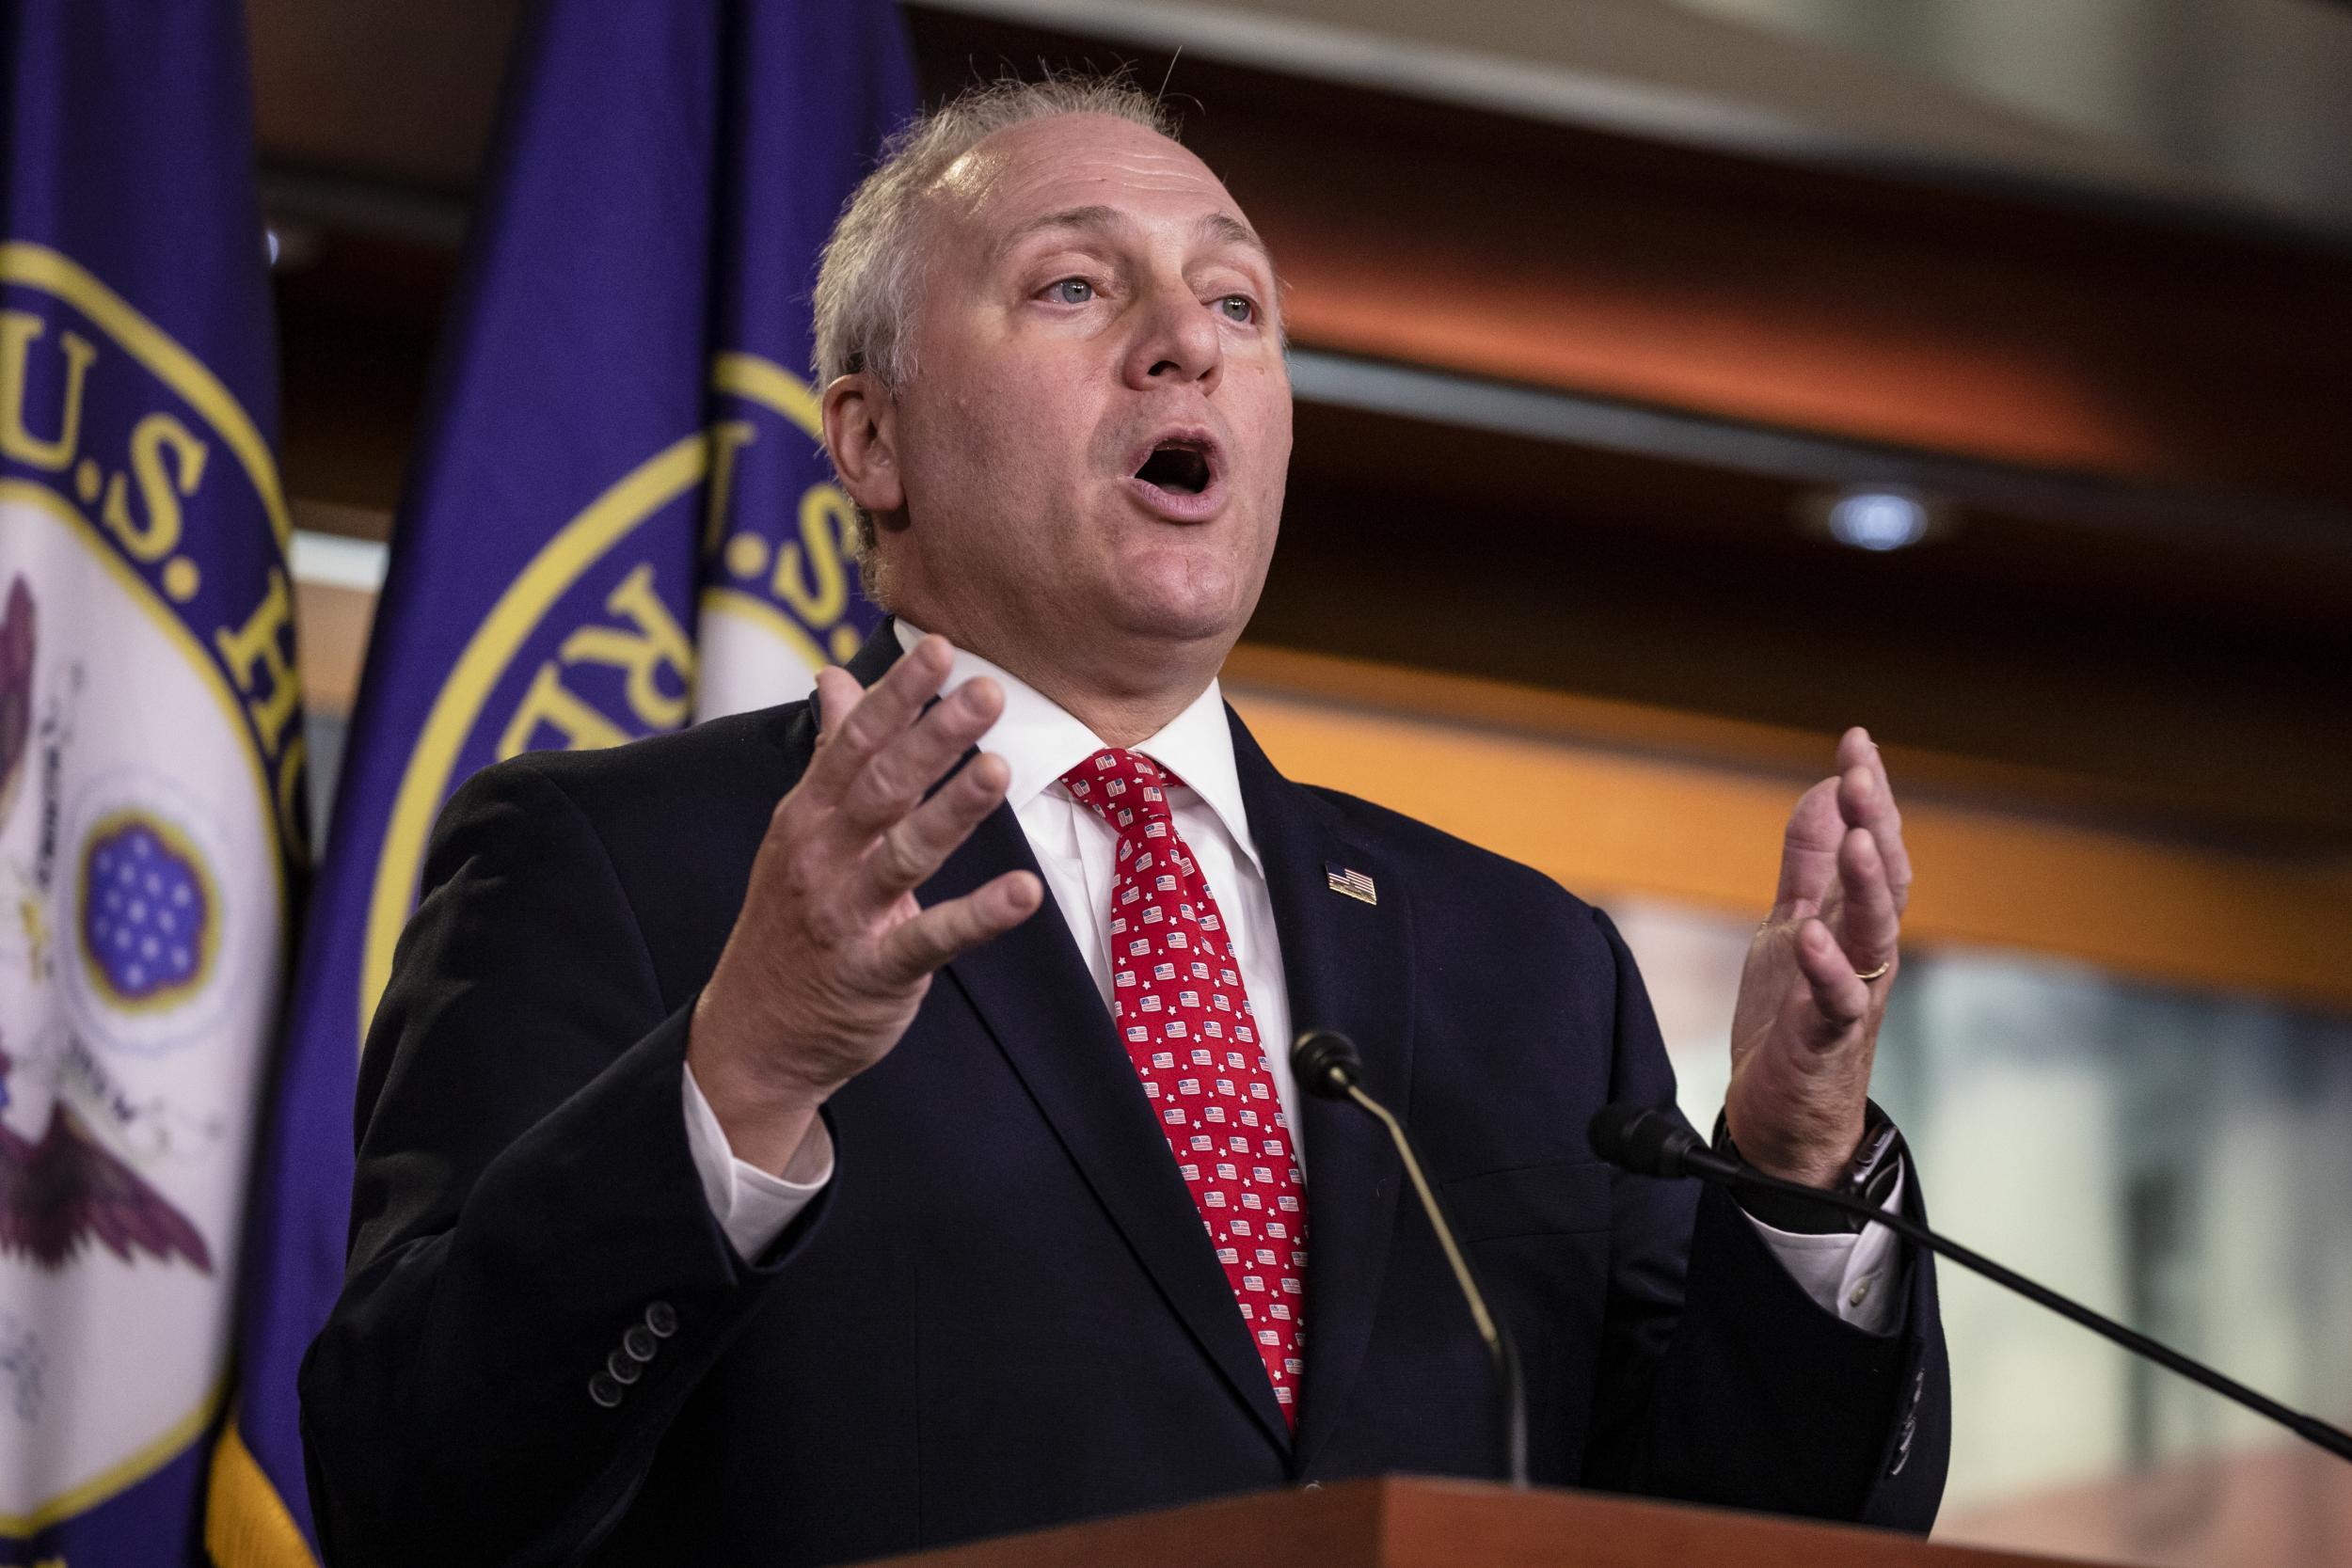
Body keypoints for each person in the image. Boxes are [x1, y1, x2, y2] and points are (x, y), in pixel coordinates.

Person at [300, 77, 1947, 1566]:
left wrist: (1794, 1172)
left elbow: (1724, 1532)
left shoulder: (1527, 964)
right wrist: (745, 1069)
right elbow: (412, 1494)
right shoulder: (631, 867)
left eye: (1236, 299)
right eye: (1077, 288)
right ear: (871, 440)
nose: (1189, 342)